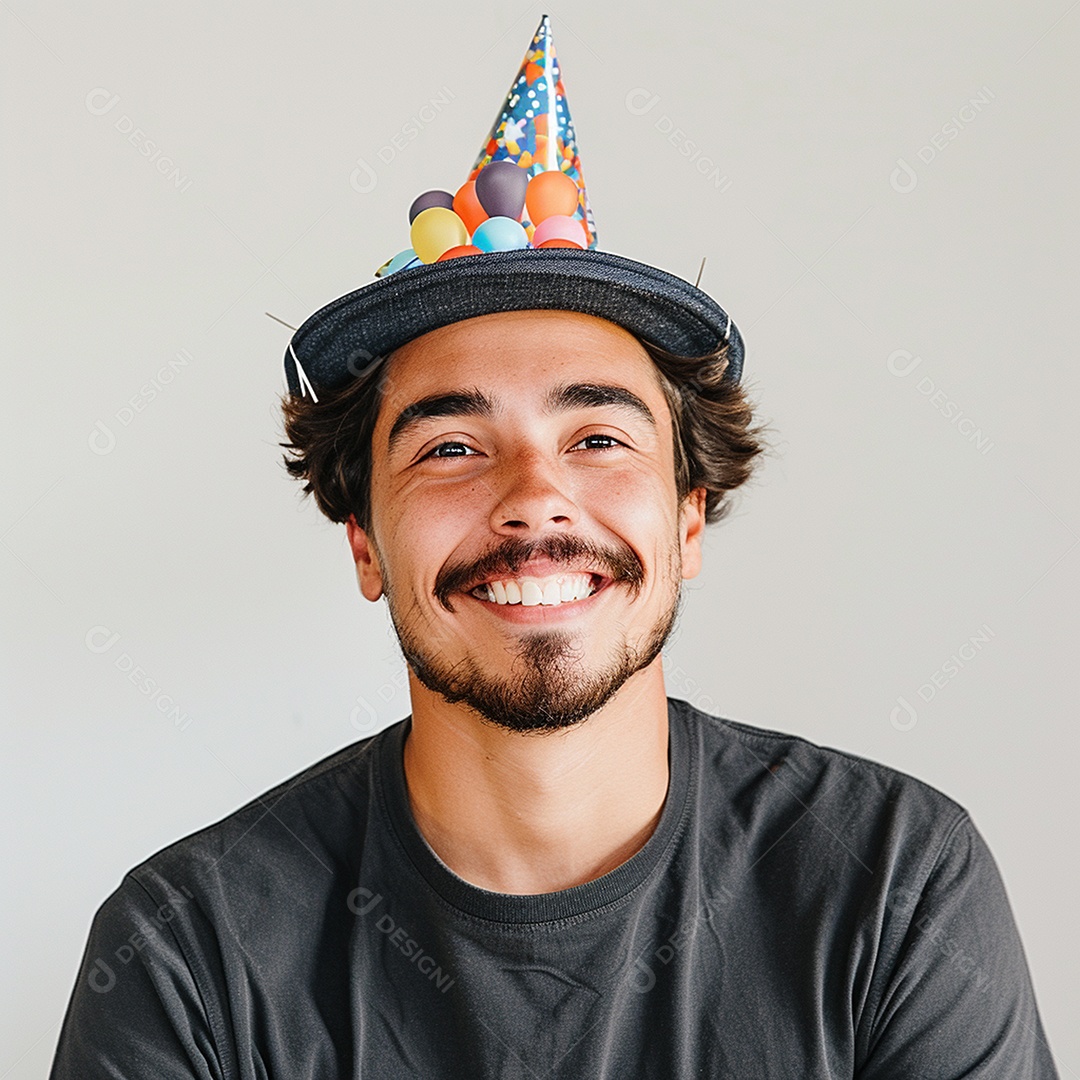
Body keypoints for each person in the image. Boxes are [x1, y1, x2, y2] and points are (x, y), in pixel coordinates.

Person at [51, 16, 1059, 1078]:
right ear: (363, 541)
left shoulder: (893, 881)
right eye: (450, 446)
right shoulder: (188, 952)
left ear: (686, 516)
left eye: (597, 438)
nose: (535, 500)